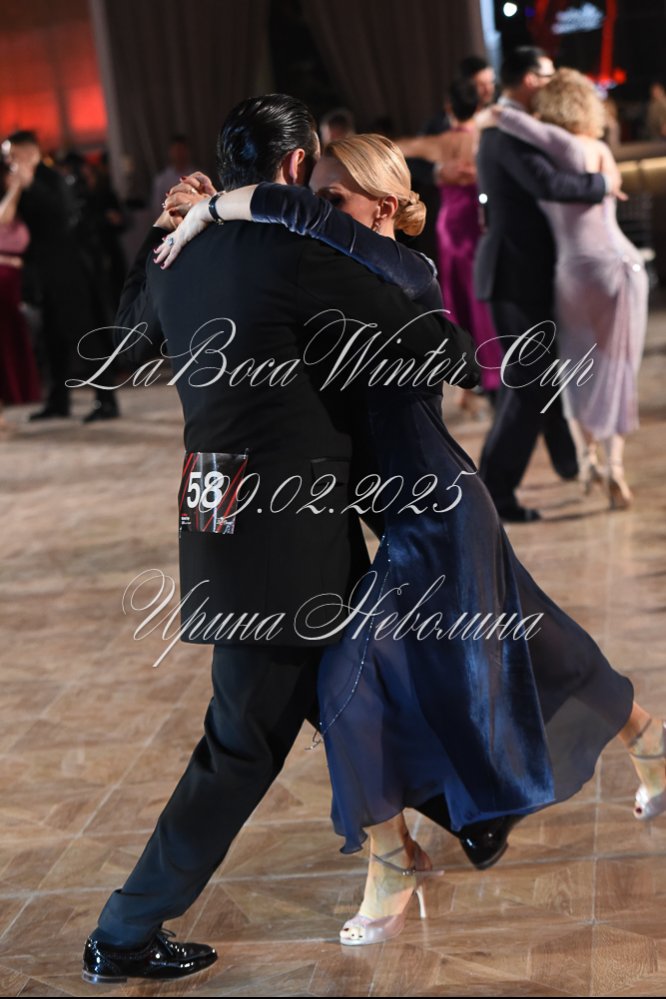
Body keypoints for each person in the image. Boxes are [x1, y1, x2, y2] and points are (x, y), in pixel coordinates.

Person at [157, 131, 666, 949]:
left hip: (435, 513)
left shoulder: (399, 270)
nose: (318, 211)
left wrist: (213, 208)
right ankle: (651, 739)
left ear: (384, 206)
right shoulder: (337, 270)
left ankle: (392, 859)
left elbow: (289, 215)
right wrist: (205, 224)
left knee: (345, 682)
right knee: (540, 641)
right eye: (318, 196)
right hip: (414, 509)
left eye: (334, 199)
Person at [80, 94, 473, 986]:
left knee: (358, 685)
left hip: (219, 511)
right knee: (245, 740)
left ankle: (449, 821)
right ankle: (125, 929)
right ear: (298, 167)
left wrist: (167, 229)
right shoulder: (291, 250)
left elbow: (129, 343)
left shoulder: (180, 254)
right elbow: (434, 337)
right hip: (285, 531)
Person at [483, 69, 648, 508]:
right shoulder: (594, 148)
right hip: (619, 264)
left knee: (578, 368)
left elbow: (514, 122)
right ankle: (614, 466)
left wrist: (499, 111)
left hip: (572, 271)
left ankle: (586, 457)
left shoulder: (551, 150)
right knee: (620, 368)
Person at [396, 79, 503, 411]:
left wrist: (438, 171)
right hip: (477, 225)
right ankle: (493, 375)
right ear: (478, 106)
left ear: (448, 108)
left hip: (449, 228)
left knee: (457, 300)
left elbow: (400, 147)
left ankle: (467, 384)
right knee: (480, 298)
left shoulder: (440, 143)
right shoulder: (486, 139)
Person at [0, 161, 41, 430]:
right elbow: (2, 219)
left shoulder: (28, 204)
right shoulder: (7, 203)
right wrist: (15, 188)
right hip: (2, 278)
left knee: (11, 340)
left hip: (16, 280)